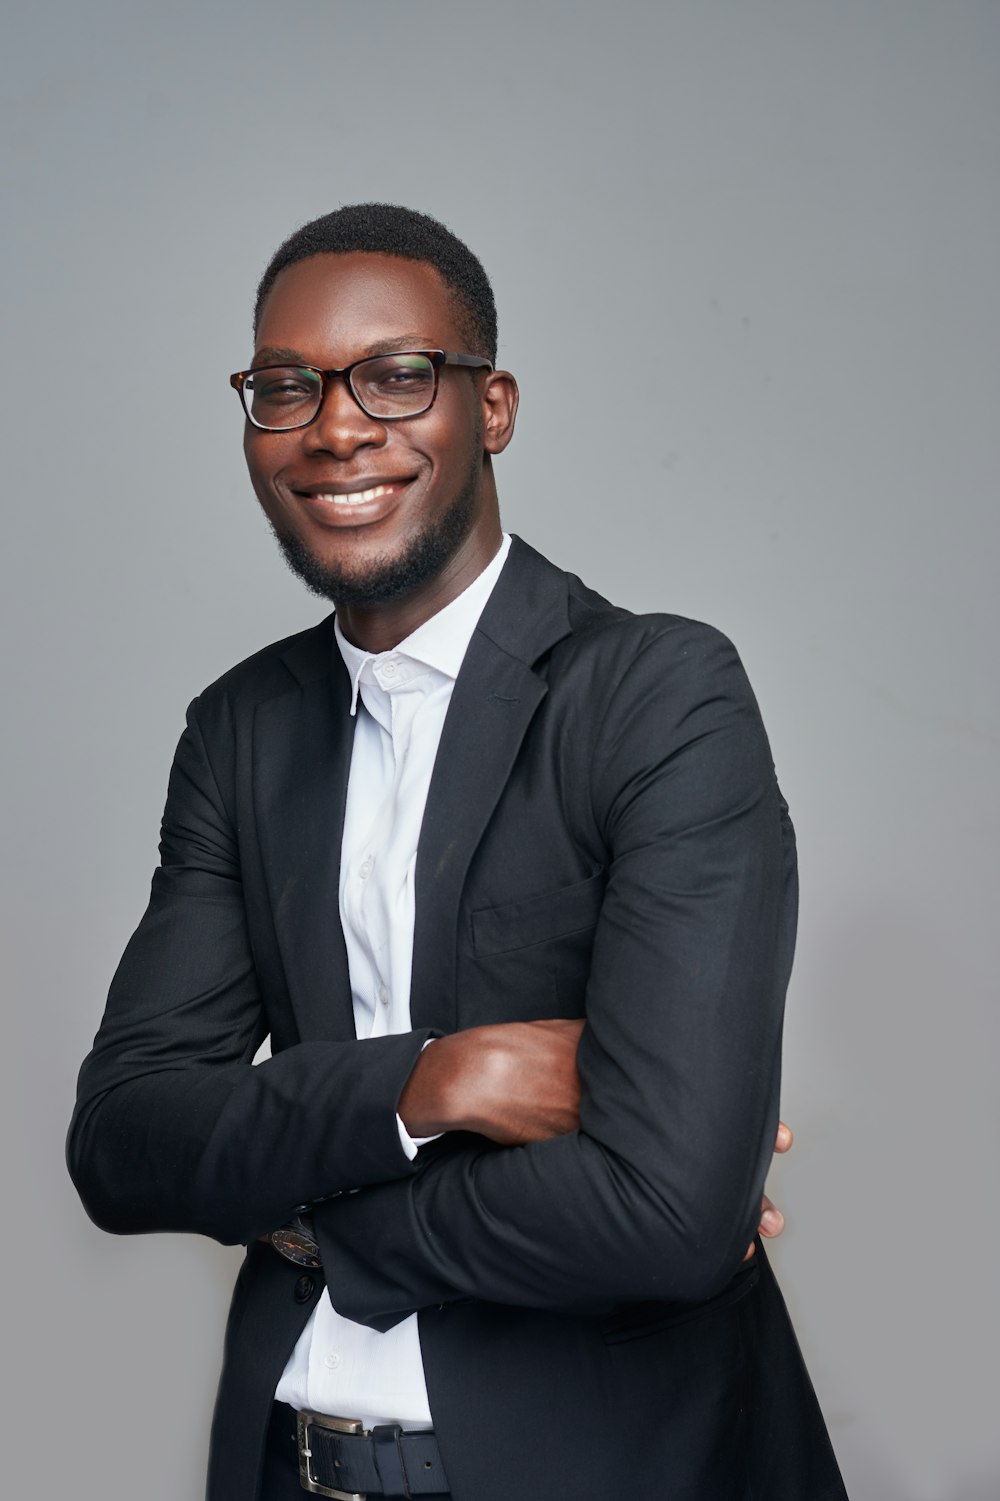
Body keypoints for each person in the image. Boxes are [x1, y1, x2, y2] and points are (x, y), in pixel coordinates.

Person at [68, 204, 847, 1500]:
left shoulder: (657, 695)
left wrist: (312, 1216)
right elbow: (125, 1137)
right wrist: (438, 1079)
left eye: (396, 374)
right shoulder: (240, 731)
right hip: (287, 1468)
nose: (335, 425)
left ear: (493, 405)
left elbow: (667, 1215)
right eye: (284, 386)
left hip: (602, 1470)